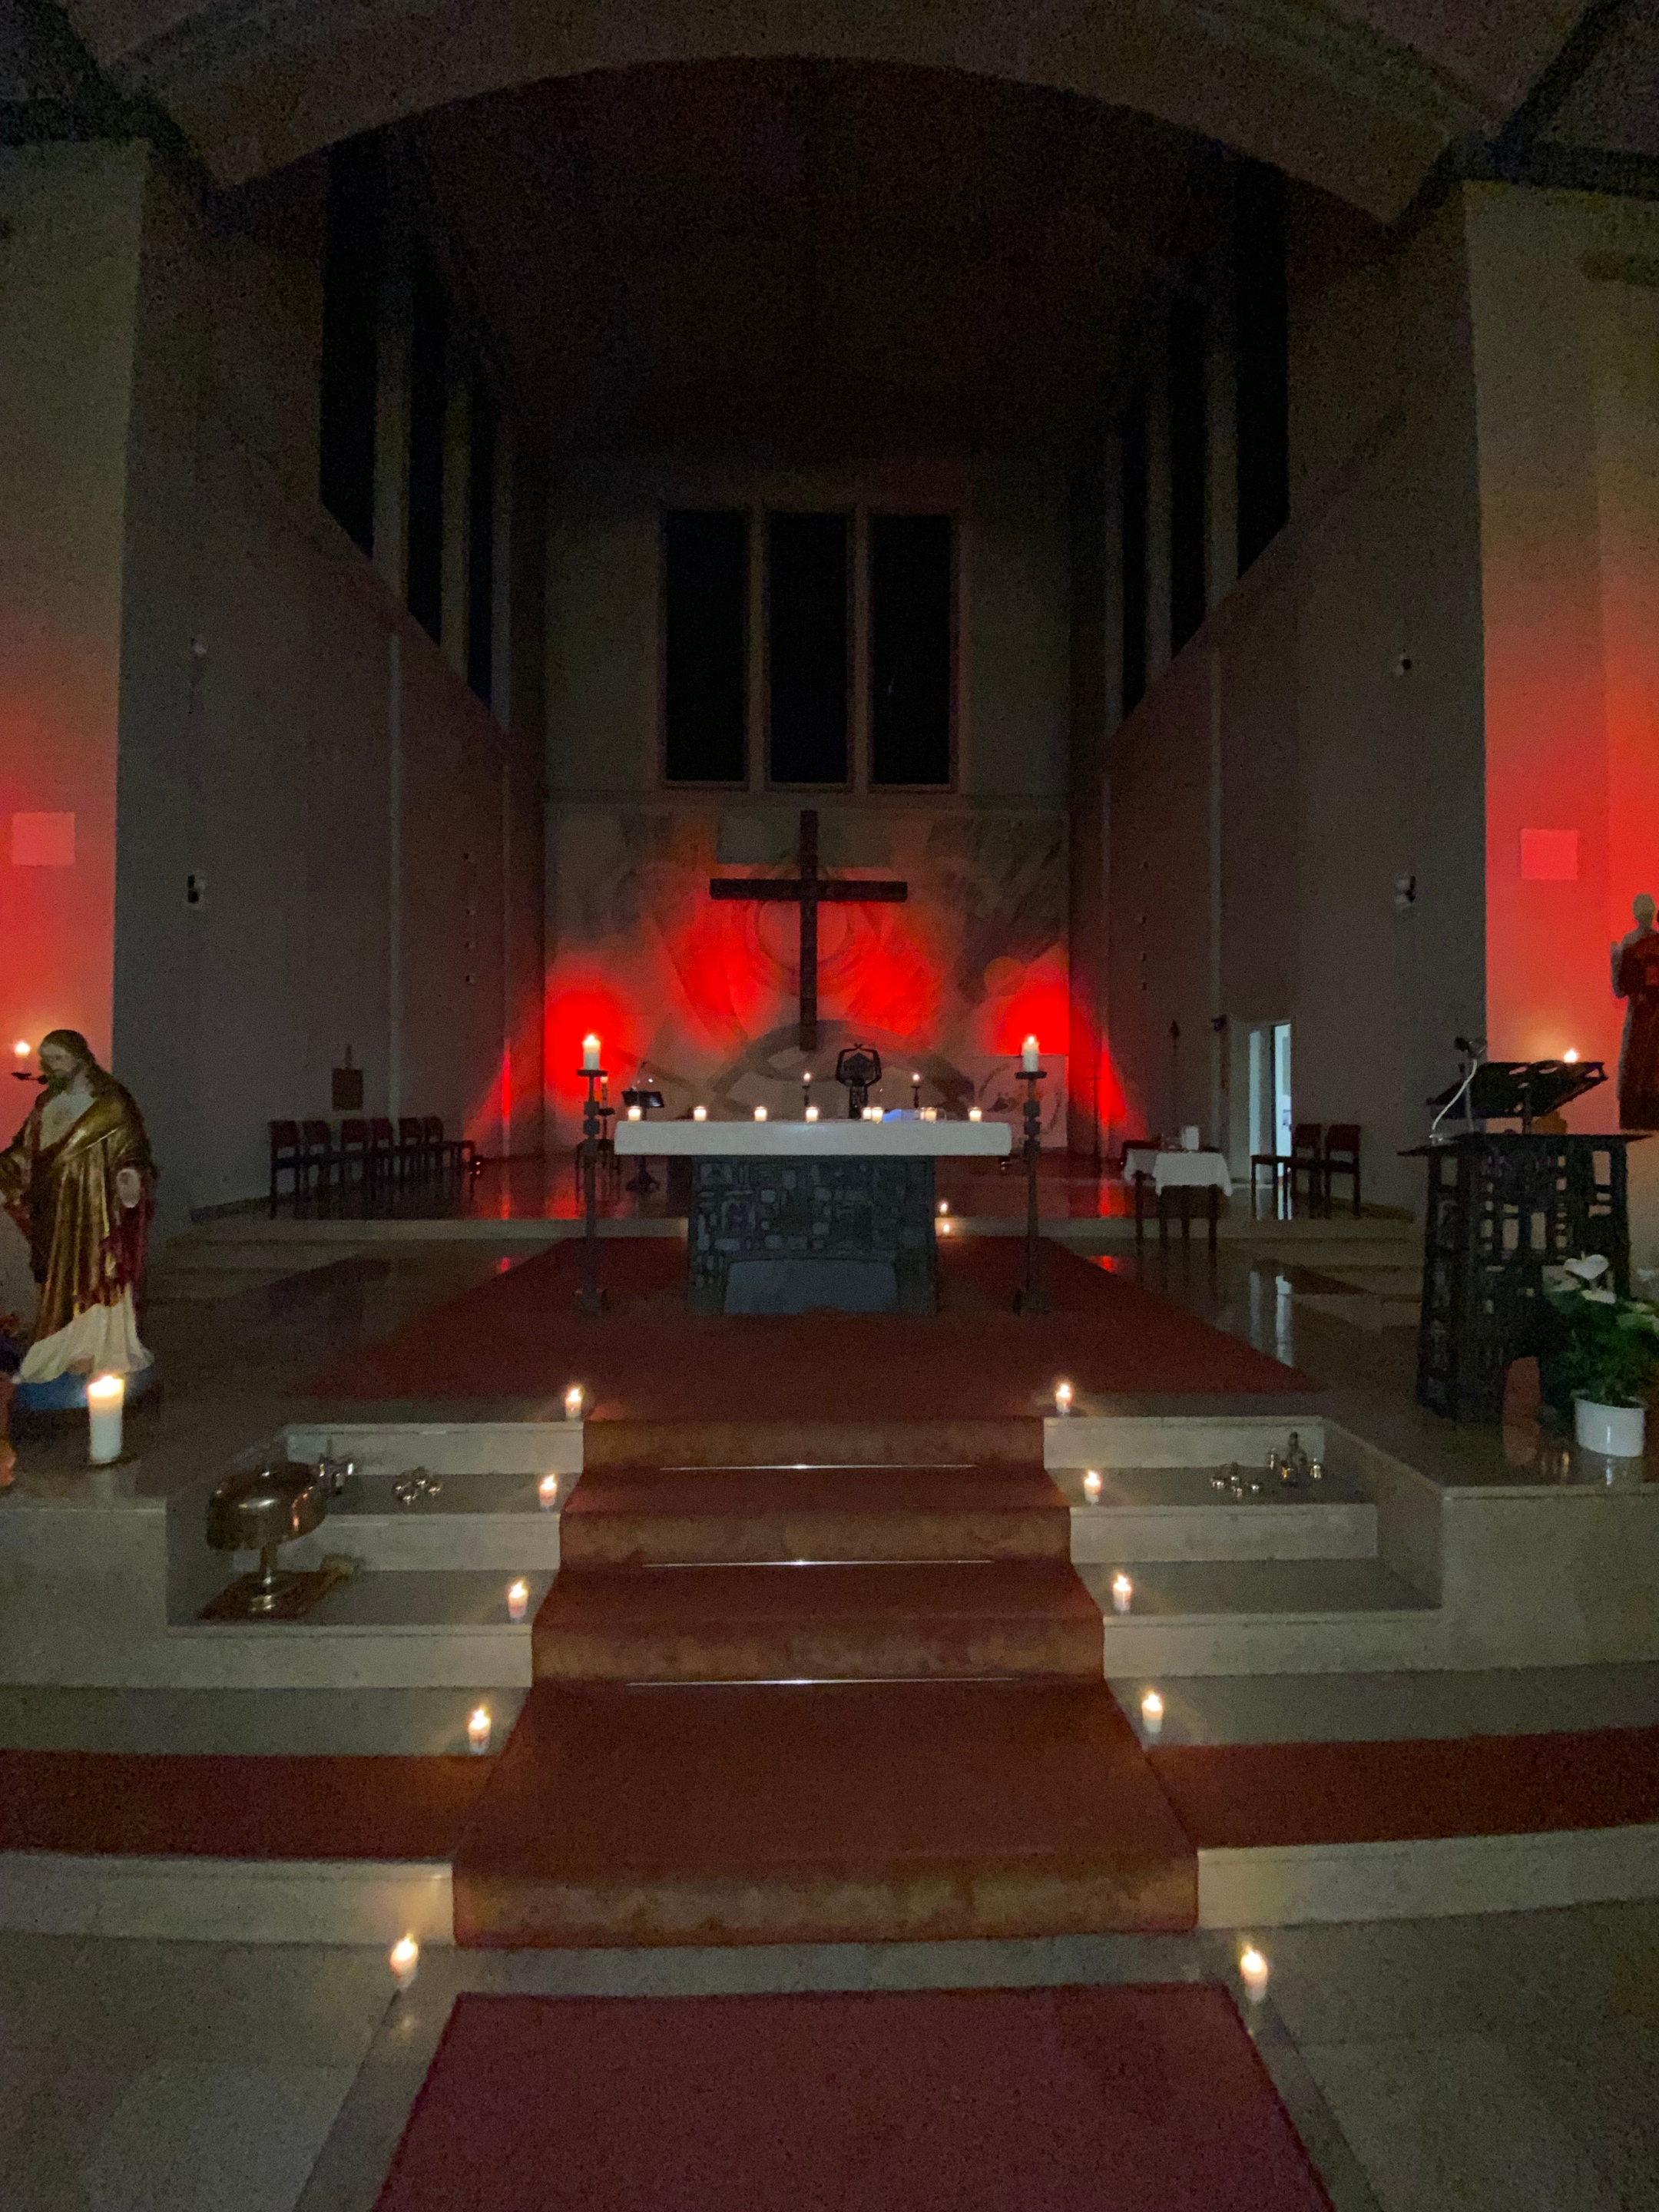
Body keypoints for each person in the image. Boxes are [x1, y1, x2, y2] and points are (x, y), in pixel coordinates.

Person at [0, 1030, 156, 1384]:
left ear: (81, 1059)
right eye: (47, 1060)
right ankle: (63, 1347)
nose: (51, 1067)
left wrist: (129, 1175)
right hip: (54, 1209)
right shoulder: (44, 1105)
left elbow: (132, 1151)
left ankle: (99, 1347)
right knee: (58, 1278)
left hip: (96, 1205)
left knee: (97, 1270)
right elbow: (24, 1153)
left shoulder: (111, 1105)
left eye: (58, 1058)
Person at [1612, 894, 1659, 1131]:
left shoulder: (1631, 945)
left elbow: (1620, 989)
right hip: (1648, 1019)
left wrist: (1615, 961)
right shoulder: (1636, 945)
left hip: (1643, 1020)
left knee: (1639, 1070)